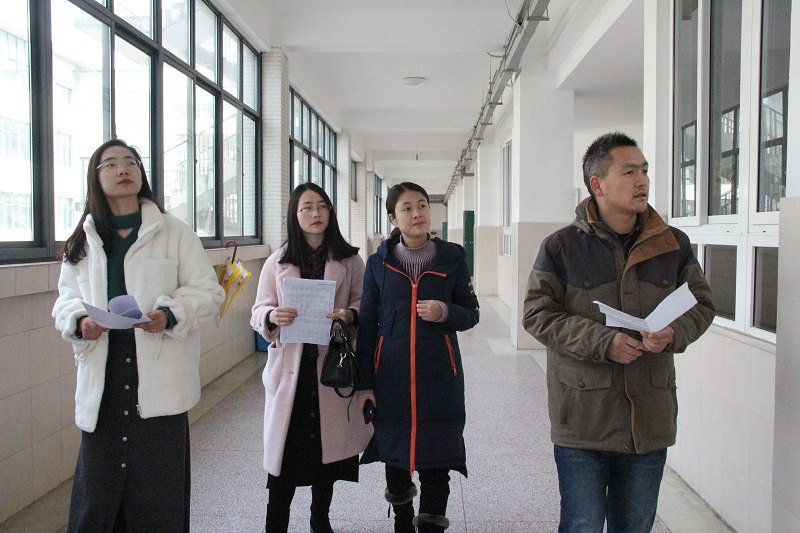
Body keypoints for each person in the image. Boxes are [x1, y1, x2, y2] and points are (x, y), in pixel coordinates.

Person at [522, 132, 716, 532]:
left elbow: (701, 304)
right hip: (584, 419)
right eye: (629, 172)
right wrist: (603, 342)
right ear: (598, 184)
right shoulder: (561, 247)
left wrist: (673, 333)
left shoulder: (673, 245)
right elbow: (537, 314)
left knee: (635, 526)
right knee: (583, 525)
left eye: (644, 170)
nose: (642, 180)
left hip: (648, 420)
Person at [52, 139, 225, 532]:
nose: (122, 169)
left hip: (160, 379)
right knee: (97, 498)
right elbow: (65, 299)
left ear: (141, 173)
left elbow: (208, 291)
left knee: (157, 496)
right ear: (96, 178)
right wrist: (80, 321)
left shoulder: (174, 230)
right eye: (111, 164)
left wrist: (170, 314)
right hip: (105, 379)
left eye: (130, 162)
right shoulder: (85, 238)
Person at [356, 182, 480, 533]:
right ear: (393, 218)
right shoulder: (378, 264)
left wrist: (444, 311)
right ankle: (402, 522)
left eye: (422, 205)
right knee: (395, 457)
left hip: (439, 377)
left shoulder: (452, 258)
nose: (417, 213)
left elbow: (471, 313)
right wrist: (364, 383)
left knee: (437, 460)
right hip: (390, 377)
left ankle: (430, 525)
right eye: (407, 208)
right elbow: (367, 324)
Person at [250, 183, 373, 533]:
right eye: (306, 207)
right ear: (295, 214)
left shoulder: (350, 260)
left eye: (322, 206)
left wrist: (349, 315)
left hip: (330, 369)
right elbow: (258, 309)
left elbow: (364, 302)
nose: (315, 213)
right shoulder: (278, 261)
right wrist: (272, 316)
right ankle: (276, 524)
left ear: (330, 212)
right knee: (284, 458)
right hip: (291, 372)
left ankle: (320, 519)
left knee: (326, 455)